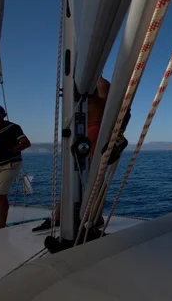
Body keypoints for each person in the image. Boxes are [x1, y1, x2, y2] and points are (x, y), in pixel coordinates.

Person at [33, 77, 114, 232]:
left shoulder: (101, 83)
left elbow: (105, 109)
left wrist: (85, 95)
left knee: (96, 175)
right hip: (76, 133)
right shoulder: (73, 80)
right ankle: (58, 216)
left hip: (94, 134)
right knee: (71, 176)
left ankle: (96, 217)